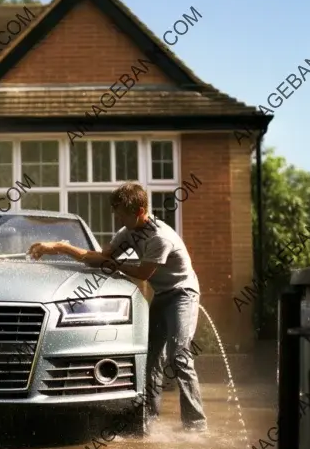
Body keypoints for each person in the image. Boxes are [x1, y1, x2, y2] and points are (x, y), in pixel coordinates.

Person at [28, 181, 207, 431]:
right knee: (152, 357)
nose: (116, 216)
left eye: (121, 212)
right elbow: (99, 259)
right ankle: (150, 420)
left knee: (179, 356)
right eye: (116, 211)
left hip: (183, 294)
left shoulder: (160, 237)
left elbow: (143, 273)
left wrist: (114, 264)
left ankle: (196, 425)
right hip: (163, 295)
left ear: (140, 211)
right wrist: (60, 247)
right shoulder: (128, 232)